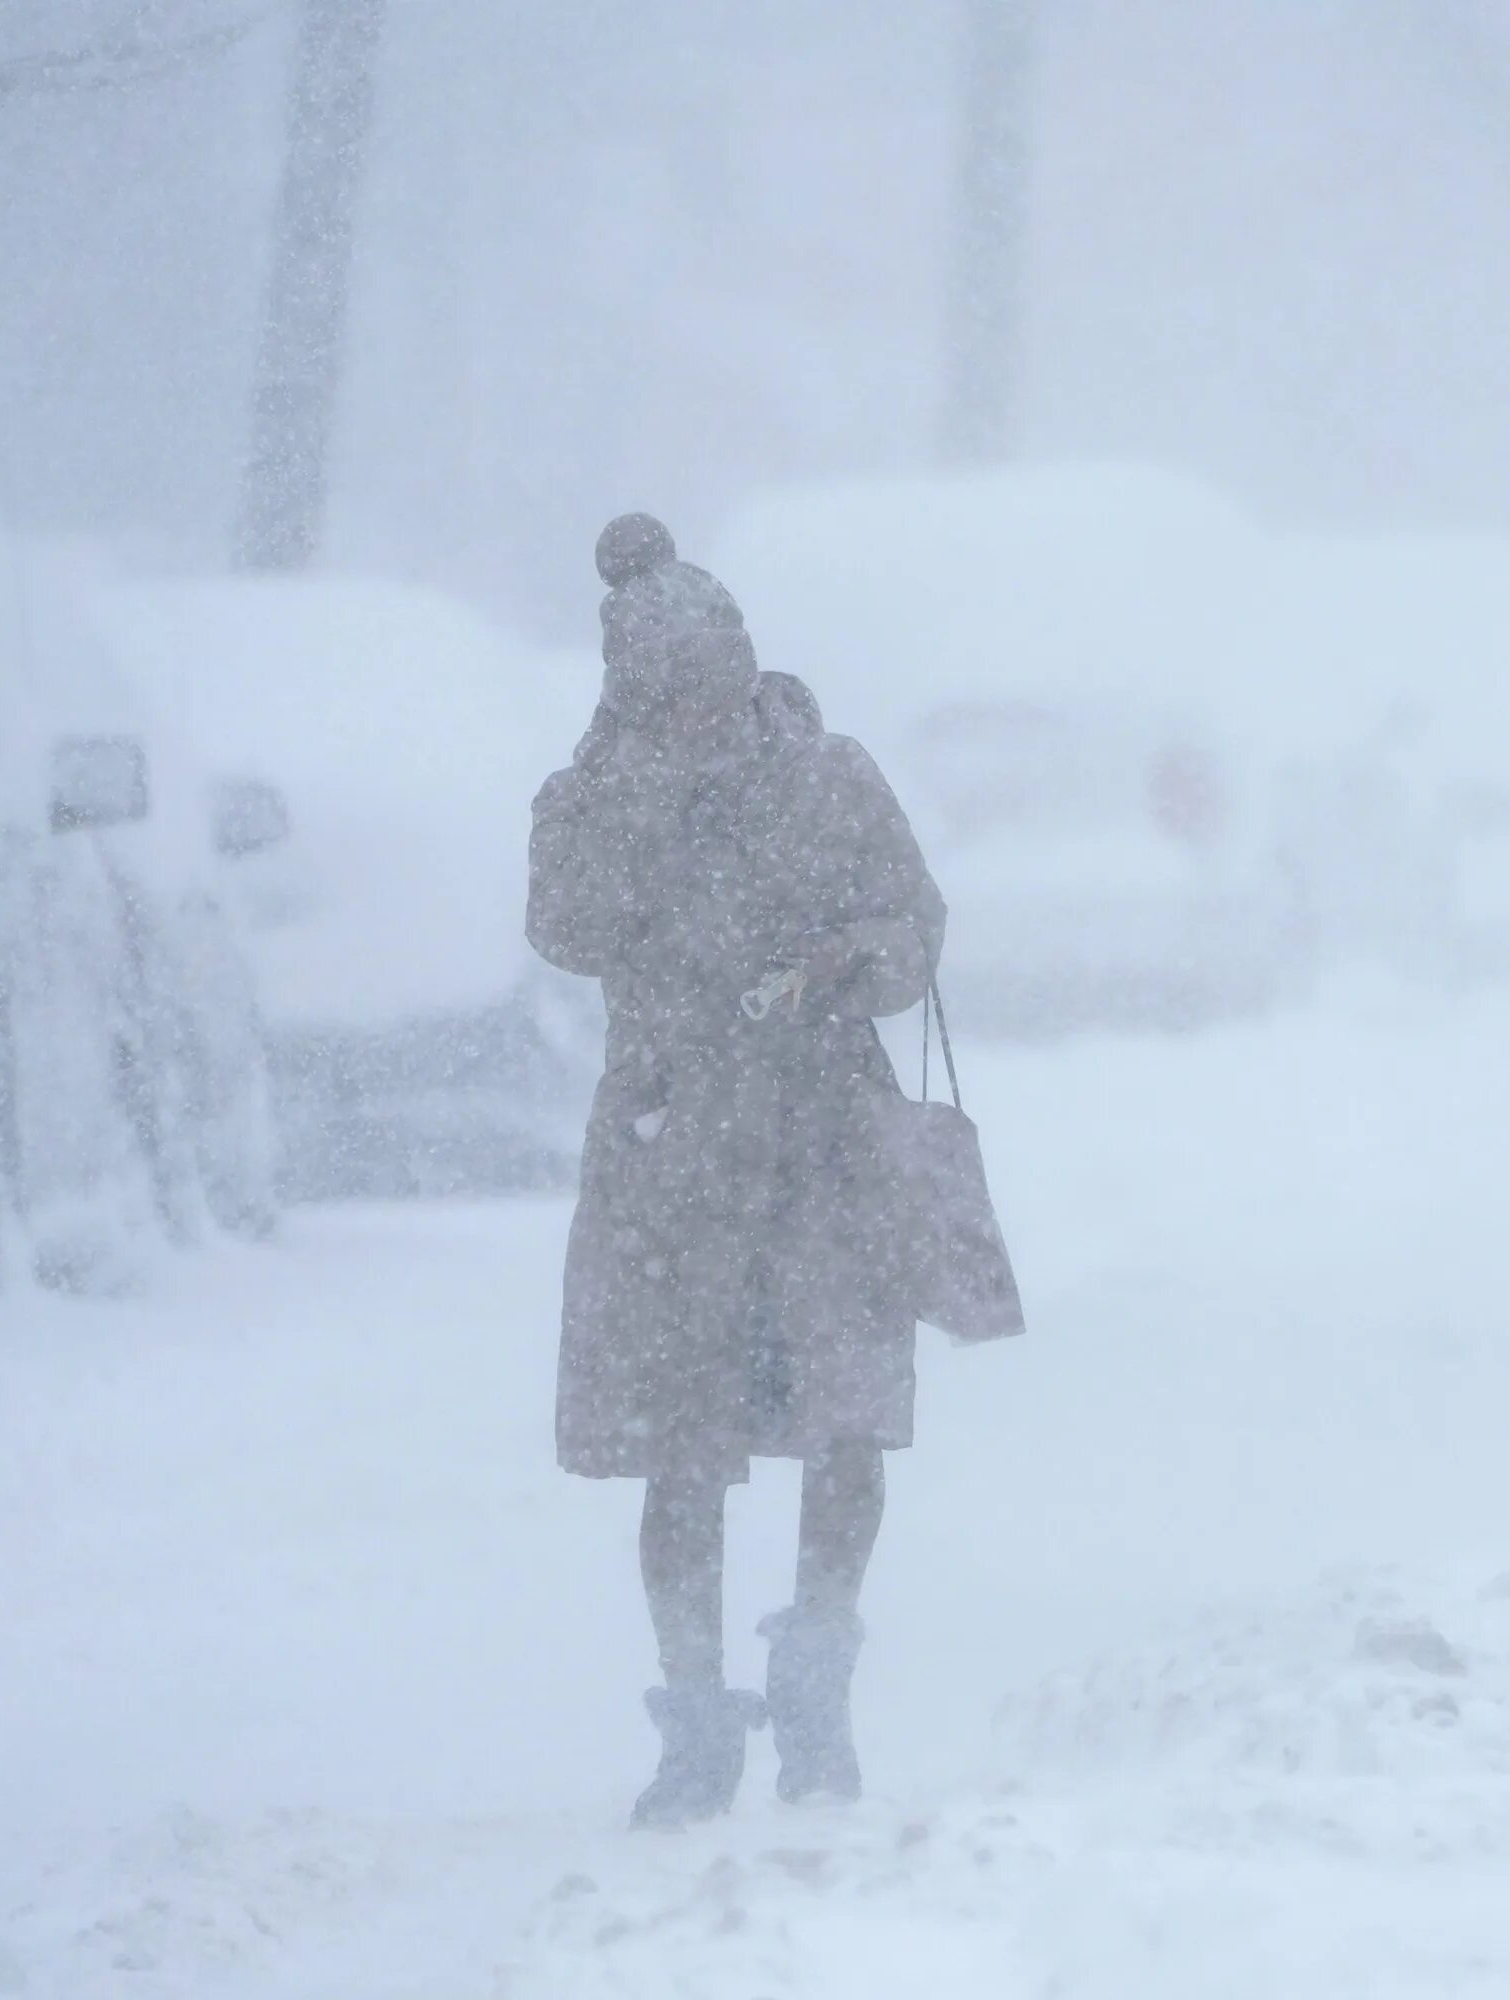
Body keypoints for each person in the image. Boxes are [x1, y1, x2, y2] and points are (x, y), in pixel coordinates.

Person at [527, 513, 947, 1827]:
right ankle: (695, 1721)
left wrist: (840, 966)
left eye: (709, 683)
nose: (697, 714)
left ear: (743, 664)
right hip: (673, 1159)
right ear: (631, 693)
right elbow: (565, 927)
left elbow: (913, 925)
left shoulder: (832, 777)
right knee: (678, 1450)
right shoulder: (592, 798)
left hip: (824, 1141)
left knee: (845, 1420)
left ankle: (817, 1689)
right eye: (665, 695)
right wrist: (636, 796)